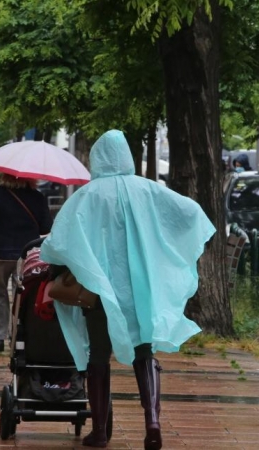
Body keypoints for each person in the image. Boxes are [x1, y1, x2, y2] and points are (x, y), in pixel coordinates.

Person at [39, 130, 214, 449]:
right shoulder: (148, 190)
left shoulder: (86, 196)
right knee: (144, 352)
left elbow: (59, 242)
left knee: (98, 358)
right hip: (140, 292)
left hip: (98, 293)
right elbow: (189, 213)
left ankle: (101, 430)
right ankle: (152, 419)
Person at [0, 174, 53, 352]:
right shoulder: (37, 196)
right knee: (23, 295)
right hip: (26, 255)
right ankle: (19, 335)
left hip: (0, 254)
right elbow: (46, 227)